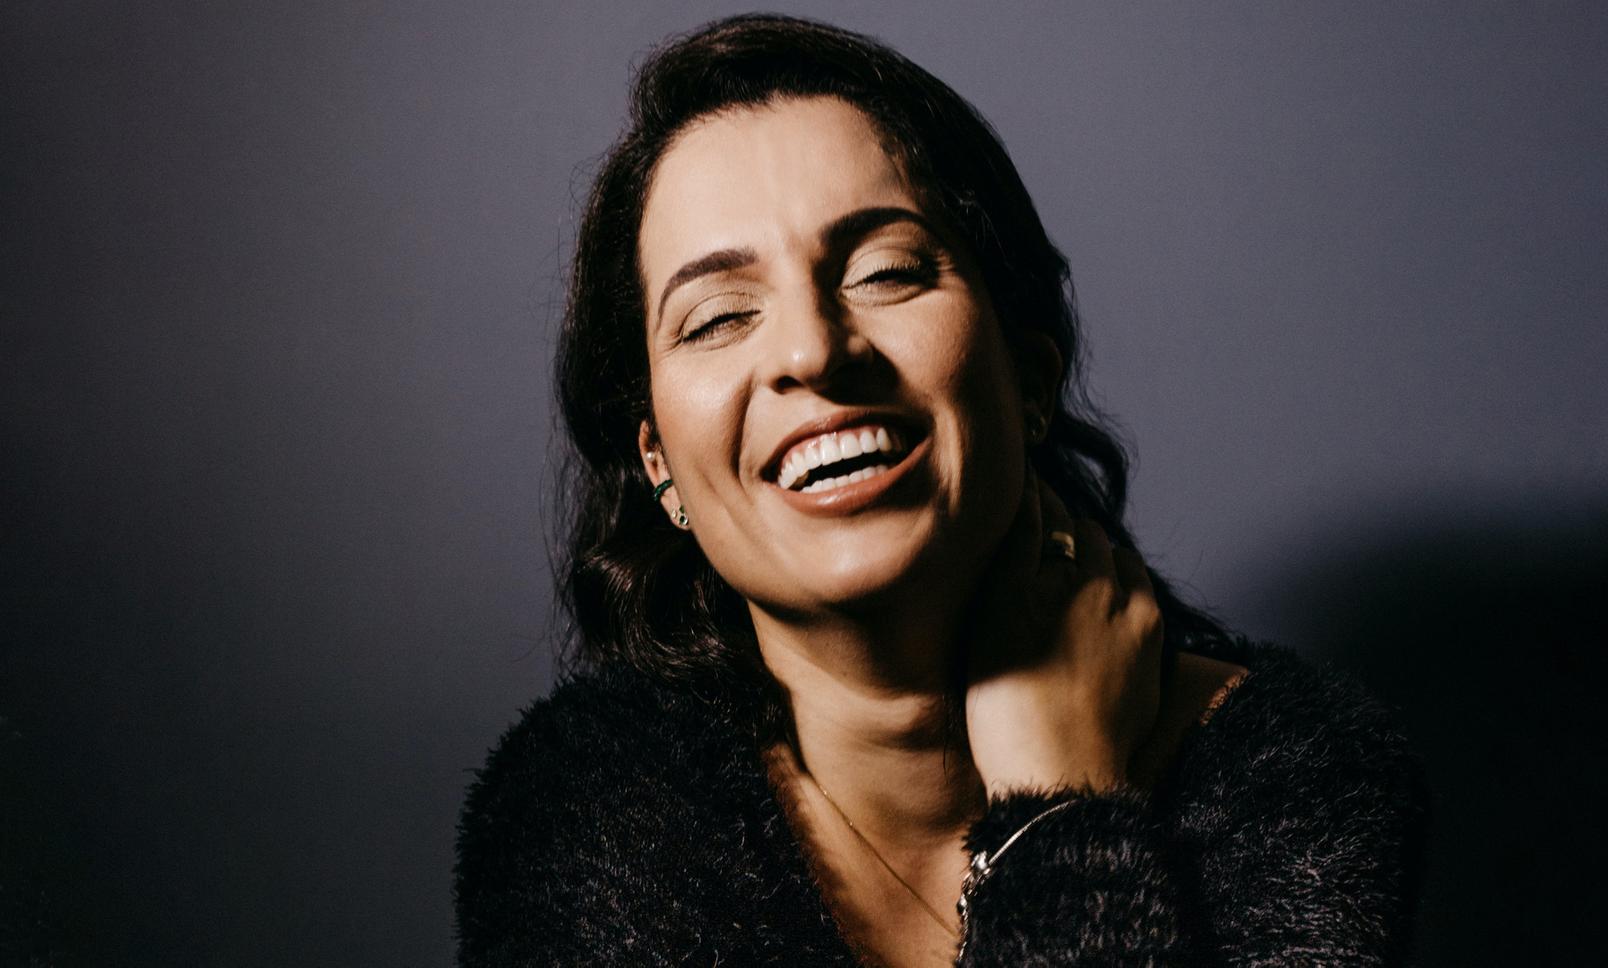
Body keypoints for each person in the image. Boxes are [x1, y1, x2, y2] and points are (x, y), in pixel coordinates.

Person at [455, 14, 1426, 967]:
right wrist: (1057, 829)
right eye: (717, 318)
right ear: (660, 464)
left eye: (884, 272)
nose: (811, 350)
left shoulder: (1286, 772)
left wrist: (1059, 812)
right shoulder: (585, 815)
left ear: (1029, 377)